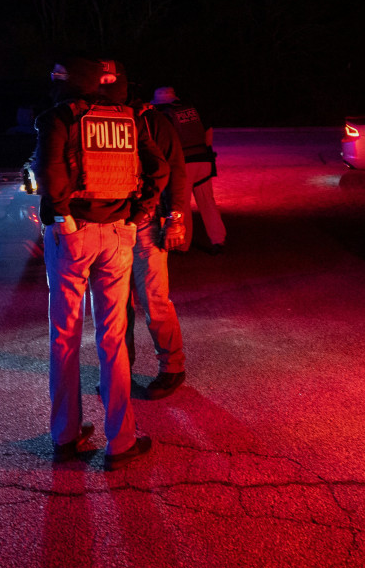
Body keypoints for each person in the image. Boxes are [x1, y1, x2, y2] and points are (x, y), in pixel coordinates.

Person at [31, 56, 169, 469]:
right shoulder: (128, 119)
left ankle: (65, 437)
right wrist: (137, 216)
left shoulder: (59, 117)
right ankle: (120, 441)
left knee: (64, 337)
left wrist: (66, 220)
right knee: (113, 338)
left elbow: (49, 170)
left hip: (72, 236)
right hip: (117, 236)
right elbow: (158, 169)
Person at [104, 71, 189, 400]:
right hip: (110, 224)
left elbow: (175, 170)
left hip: (146, 224)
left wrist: (176, 218)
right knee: (116, 305)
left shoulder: (151, 121)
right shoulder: (95, 119)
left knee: (154, 301)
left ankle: (172, 368)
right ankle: (120, 370)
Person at [152, 86, 225, 254]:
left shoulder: (164, 116)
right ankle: (218, 240)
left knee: (182, 204)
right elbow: (208, 130)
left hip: (184, 163)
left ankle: (183, 244)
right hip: (204, 161)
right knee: (208, 202)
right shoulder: (191, 110)